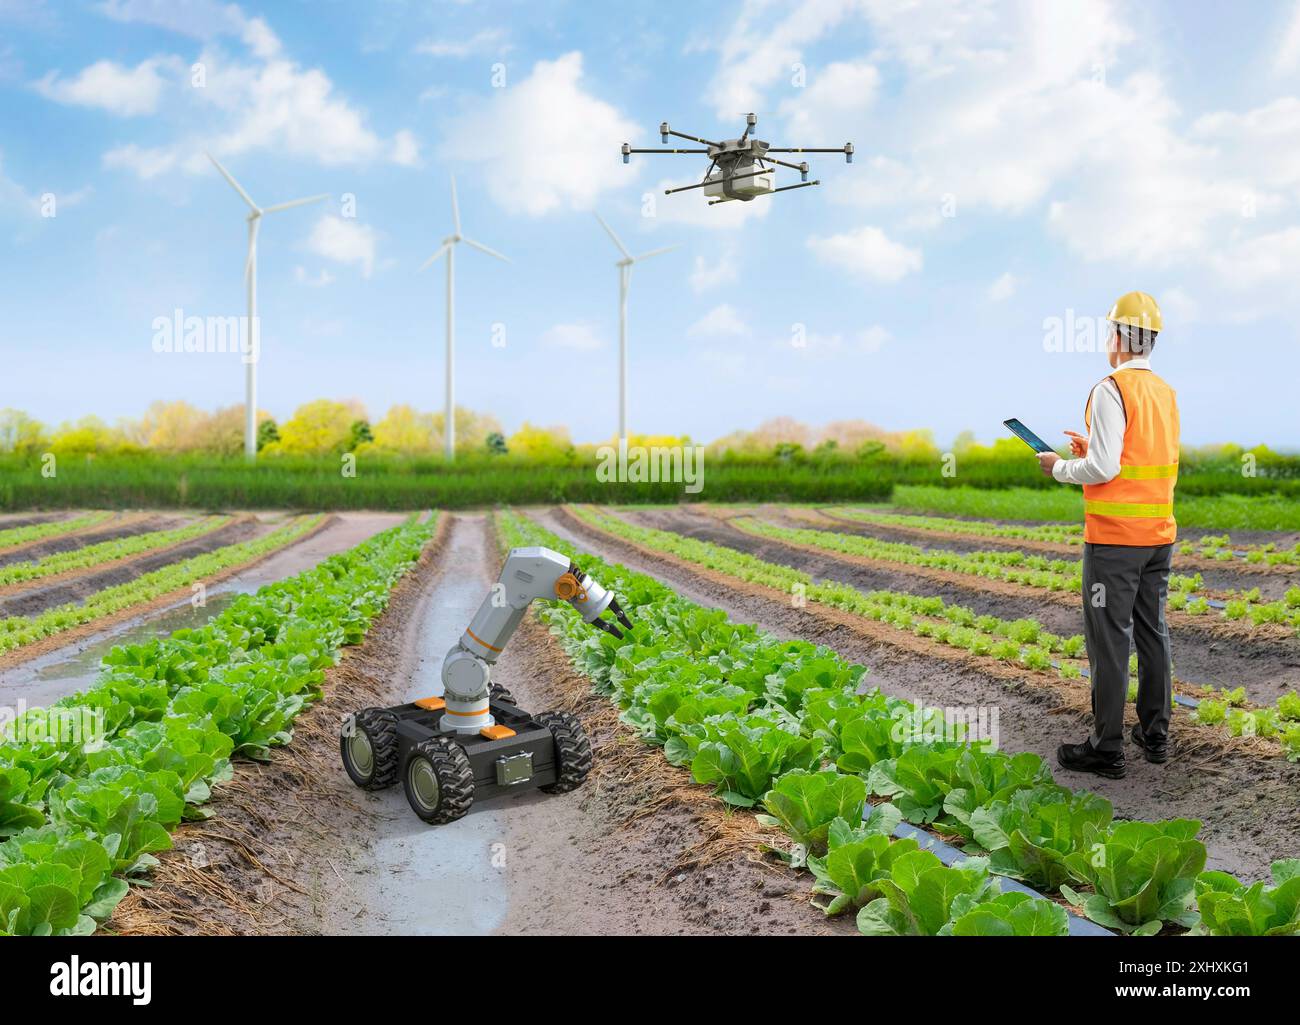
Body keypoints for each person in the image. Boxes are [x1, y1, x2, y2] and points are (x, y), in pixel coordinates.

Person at [1037, 292, 1179, 780]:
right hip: (1158, 536)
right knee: (1152, 631)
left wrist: (1059, 466)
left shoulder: (1109, 389)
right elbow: (1134, 460)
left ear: (1118, 337)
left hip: (1115, 542)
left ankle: (1106, 747)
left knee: (1109, 642)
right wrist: (1091, 448)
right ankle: (1155, 733)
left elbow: (1103, 467)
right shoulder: (1164, 393)